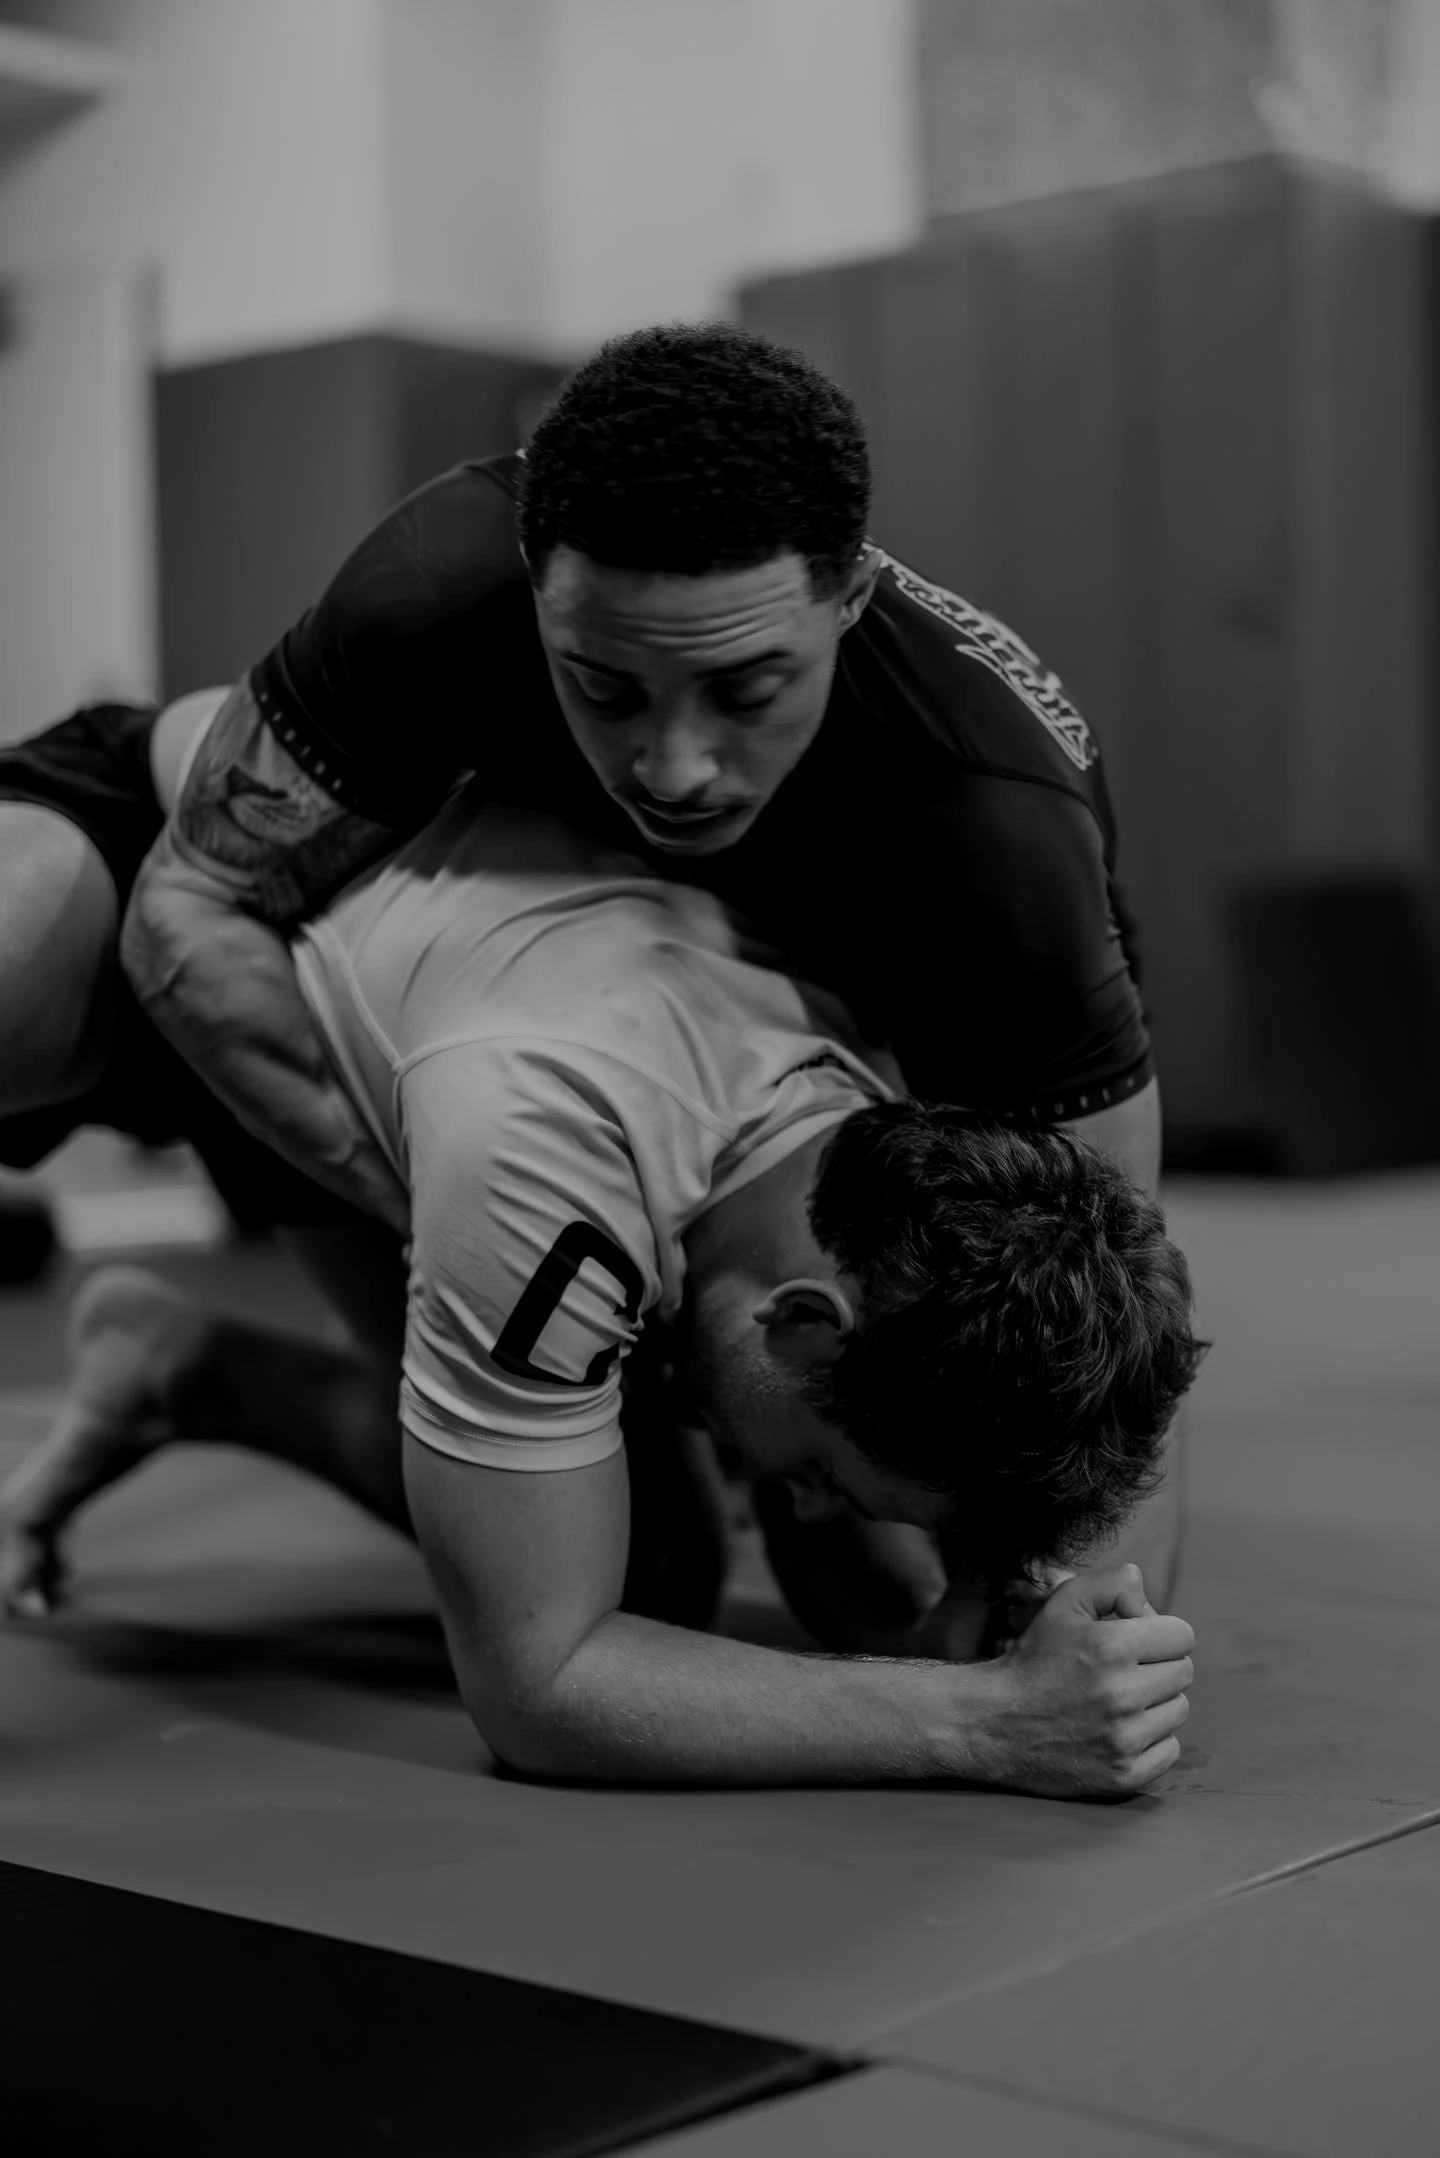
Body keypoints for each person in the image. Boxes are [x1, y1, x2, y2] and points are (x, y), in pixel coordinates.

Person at [119, 321, 1181, 1593]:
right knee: (637, 1575)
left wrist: (1066, 1629)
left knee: (873, 1586)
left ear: (849, 597)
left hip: (825, 1090)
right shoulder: (433, 596)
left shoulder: (989, 834)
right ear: (531, 587)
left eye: (746, 691)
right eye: (604, 688)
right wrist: (438, 1209)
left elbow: (1112, 1343)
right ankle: (194, 1366)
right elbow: (185, 907)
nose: (673, 770)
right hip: (446, 1028)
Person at [2, 785, 1201, 1797]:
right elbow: (539, 1689)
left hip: (394, 1027)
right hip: (180, 871)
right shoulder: (550, 1162)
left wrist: (967, 1622)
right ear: (803, 1320)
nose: (817, 1511)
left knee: (655, 1574)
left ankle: (179, 1368)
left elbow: (850, 1548)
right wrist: (983, 1723)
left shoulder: (881, 1181)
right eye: (830, 1481)